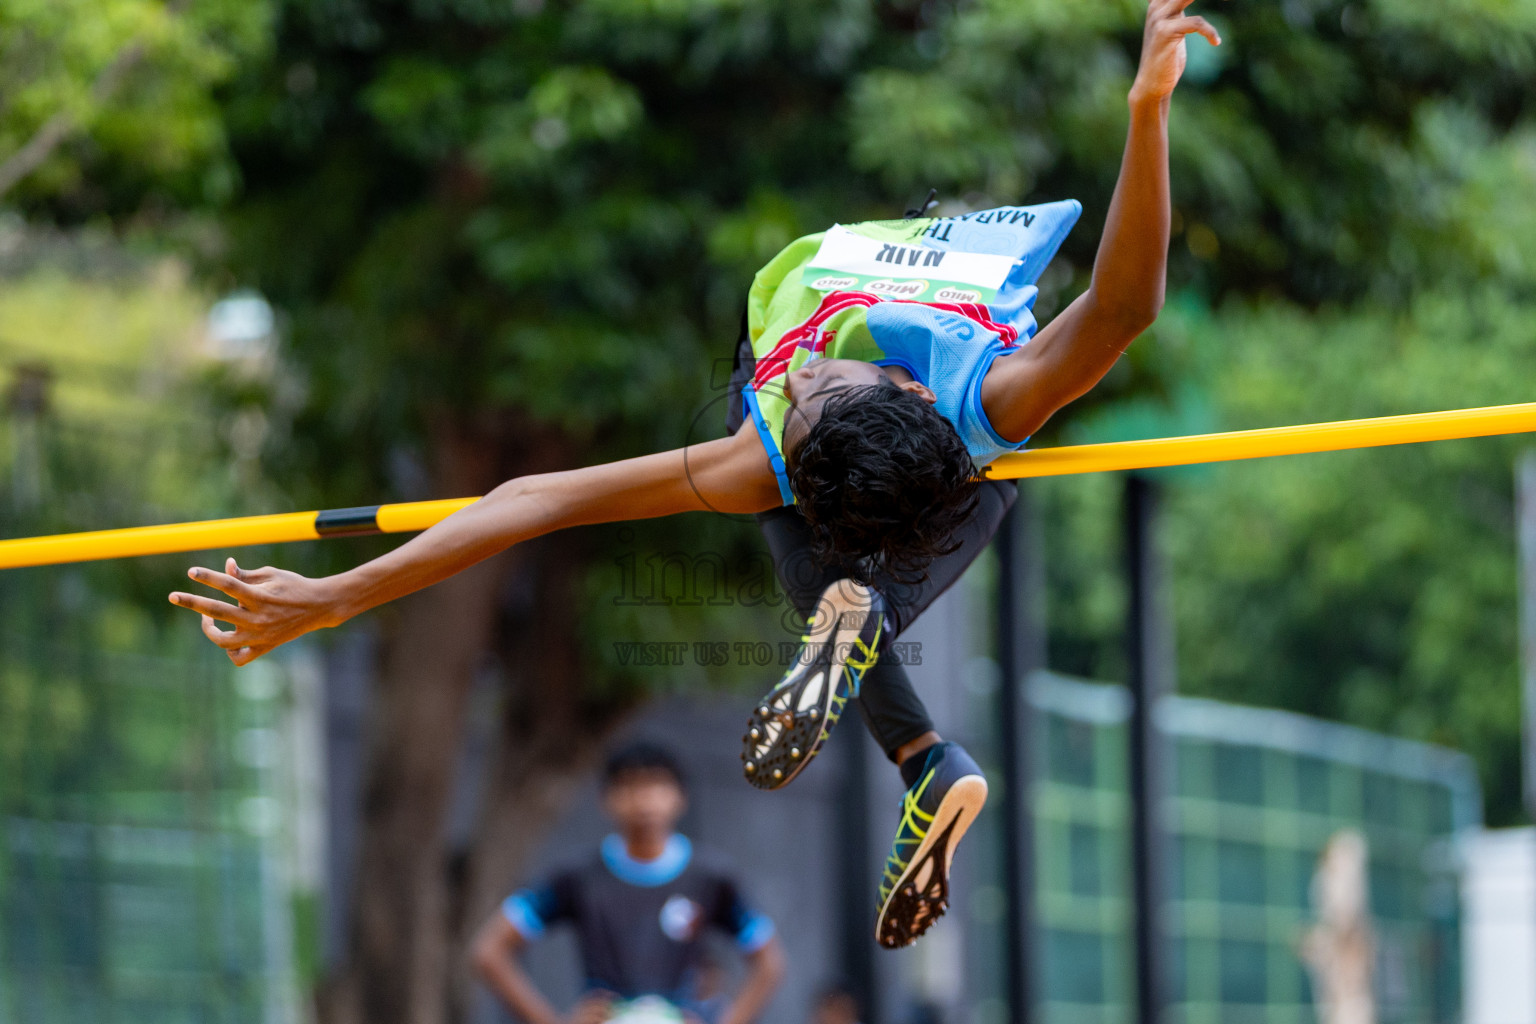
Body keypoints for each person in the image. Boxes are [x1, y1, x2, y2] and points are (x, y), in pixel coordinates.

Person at [170, 0, 1218, 949]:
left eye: (809, 391)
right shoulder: (985, 394)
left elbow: (532, 501)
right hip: (945, 465)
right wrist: (1144, 112)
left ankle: (895, 690)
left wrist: (342, 593)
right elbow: (1125, 307)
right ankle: (910, 724)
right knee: (930, 502)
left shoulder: (764, 449)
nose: (801, 370)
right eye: (809, 391)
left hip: (907, 475)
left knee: (839, 536)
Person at [471, 743, 786, 1024]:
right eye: (630, 786)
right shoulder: (579, 876)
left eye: (657, 785)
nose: (645, 801)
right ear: (606, 799)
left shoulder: (710, 878)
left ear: (680, 796)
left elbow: (769, 963)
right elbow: (490, 950)